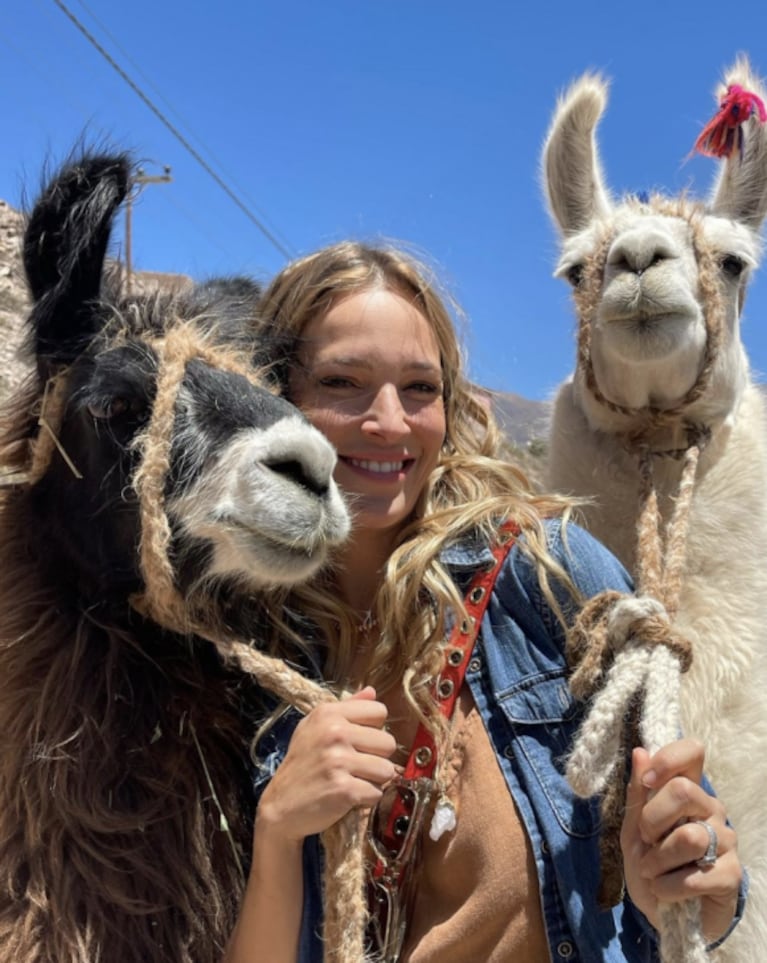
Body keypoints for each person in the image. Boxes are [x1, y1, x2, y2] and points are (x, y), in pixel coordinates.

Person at [223, 241, 745, 962]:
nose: (388, 421)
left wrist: (691, 881)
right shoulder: (239, 652)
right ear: (274, 396)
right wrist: (279, 826)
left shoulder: (547, 574)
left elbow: (697, 880)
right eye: (342, 381)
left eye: (418, 388)